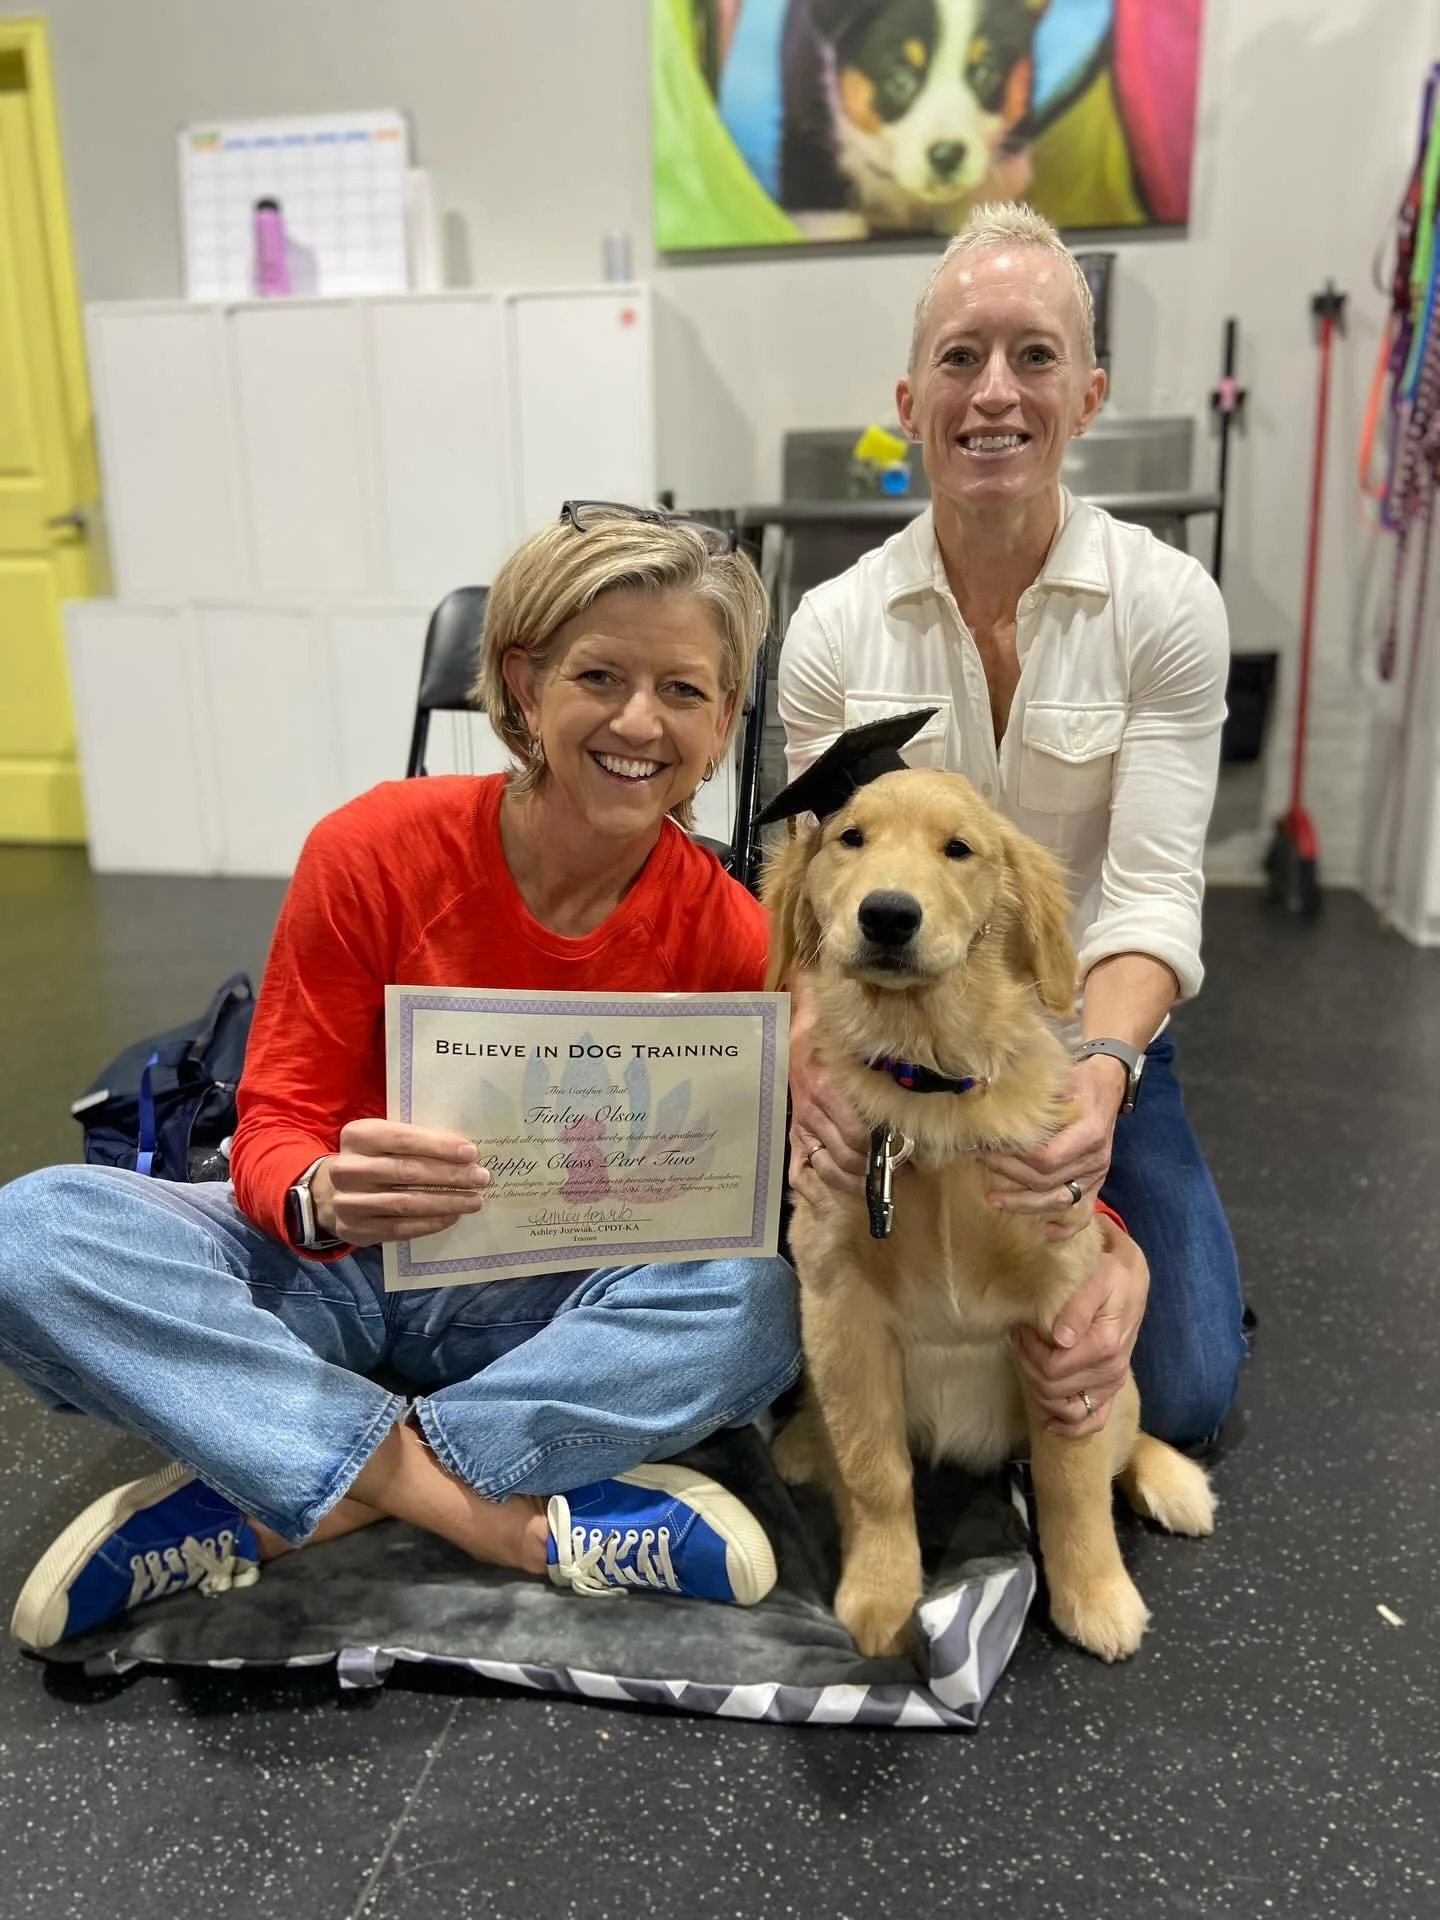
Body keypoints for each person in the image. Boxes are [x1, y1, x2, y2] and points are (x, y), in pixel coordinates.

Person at [0, 504, 800, 1651]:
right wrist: (321, 1193)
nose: (640, 723)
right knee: (29, 1235)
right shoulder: (374, 849)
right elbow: (272, 1122)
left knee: (760, 1303)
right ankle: (498, 1521)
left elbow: (724, 1193)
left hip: (534, 1306)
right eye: (600, 676)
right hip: (328, 1271)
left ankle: (280, 1497)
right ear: (525, 686)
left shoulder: (731, 936)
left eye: (683, 690)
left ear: (725, 721)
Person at [777, 203, 1246, 1452]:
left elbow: (1148, 893)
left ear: (1087, 394)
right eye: (960, 357)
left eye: (1034, 356)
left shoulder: (1167, 606)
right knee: (795, 1339)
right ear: (910, 394)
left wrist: (1097, 1090)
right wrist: (806, 1047)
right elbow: (810, 898)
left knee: (1185, 1384)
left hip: (1083, 1039)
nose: (995, 392)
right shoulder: (829, 625)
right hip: (889, 1040)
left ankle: (1131, 1253)